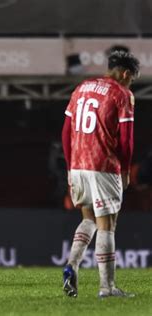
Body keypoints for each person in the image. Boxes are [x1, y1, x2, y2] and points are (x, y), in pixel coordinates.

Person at [61, 51, 140, 298]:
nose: (130, 84)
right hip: (103, 165)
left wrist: (69, 166)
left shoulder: (82, 88)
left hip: (78, 165)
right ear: (126, 74)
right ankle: (107, 287)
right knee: (108, 224)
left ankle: (71, 265)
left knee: (88, 219)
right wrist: (126, 170)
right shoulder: (122, 93)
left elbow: (65, 131)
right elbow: (126, 139)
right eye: (131, 79)